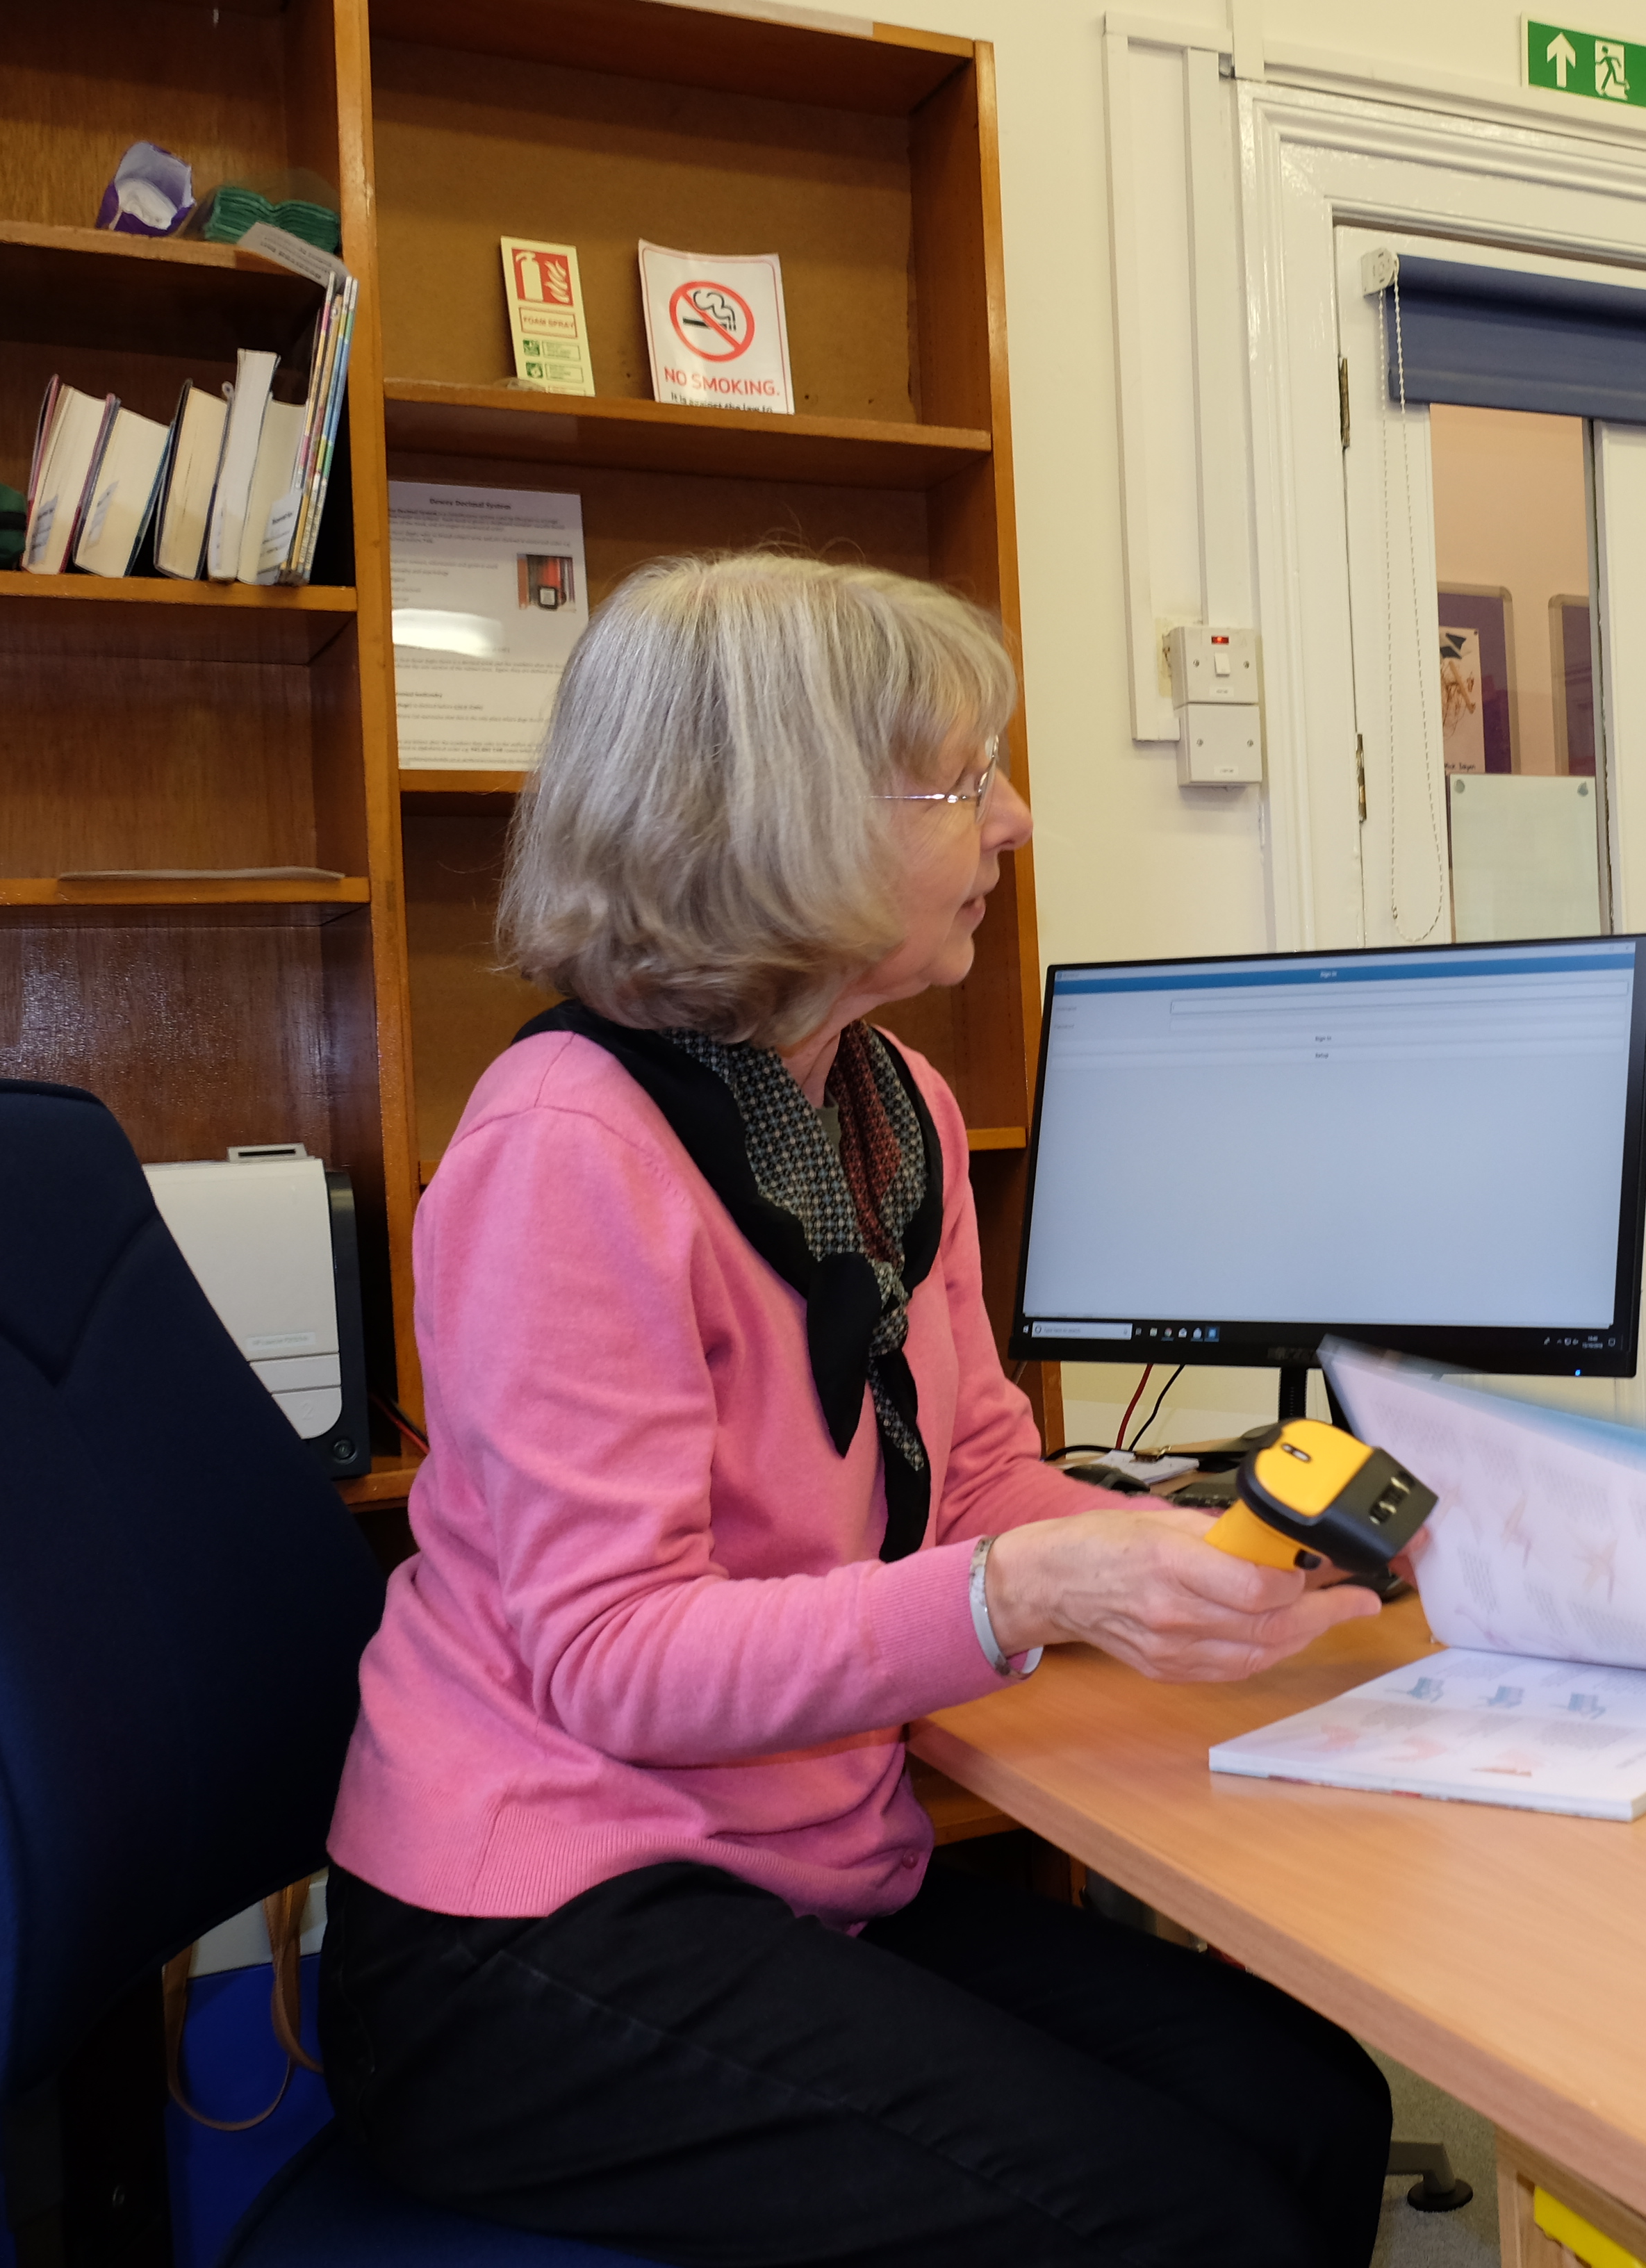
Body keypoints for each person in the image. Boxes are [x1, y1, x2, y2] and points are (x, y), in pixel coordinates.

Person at [321, 554, 1392, 2268]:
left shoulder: (896, 1104)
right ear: (784, 822)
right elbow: (614, 1659)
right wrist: (1027, 1597)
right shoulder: (564, 1148)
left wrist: (1217, 1550)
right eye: (962, 785)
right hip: (528, 1933)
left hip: (788, 1869)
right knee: (1184, 2221)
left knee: (1311, 2104)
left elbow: (973, 1483)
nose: (1015, 821)